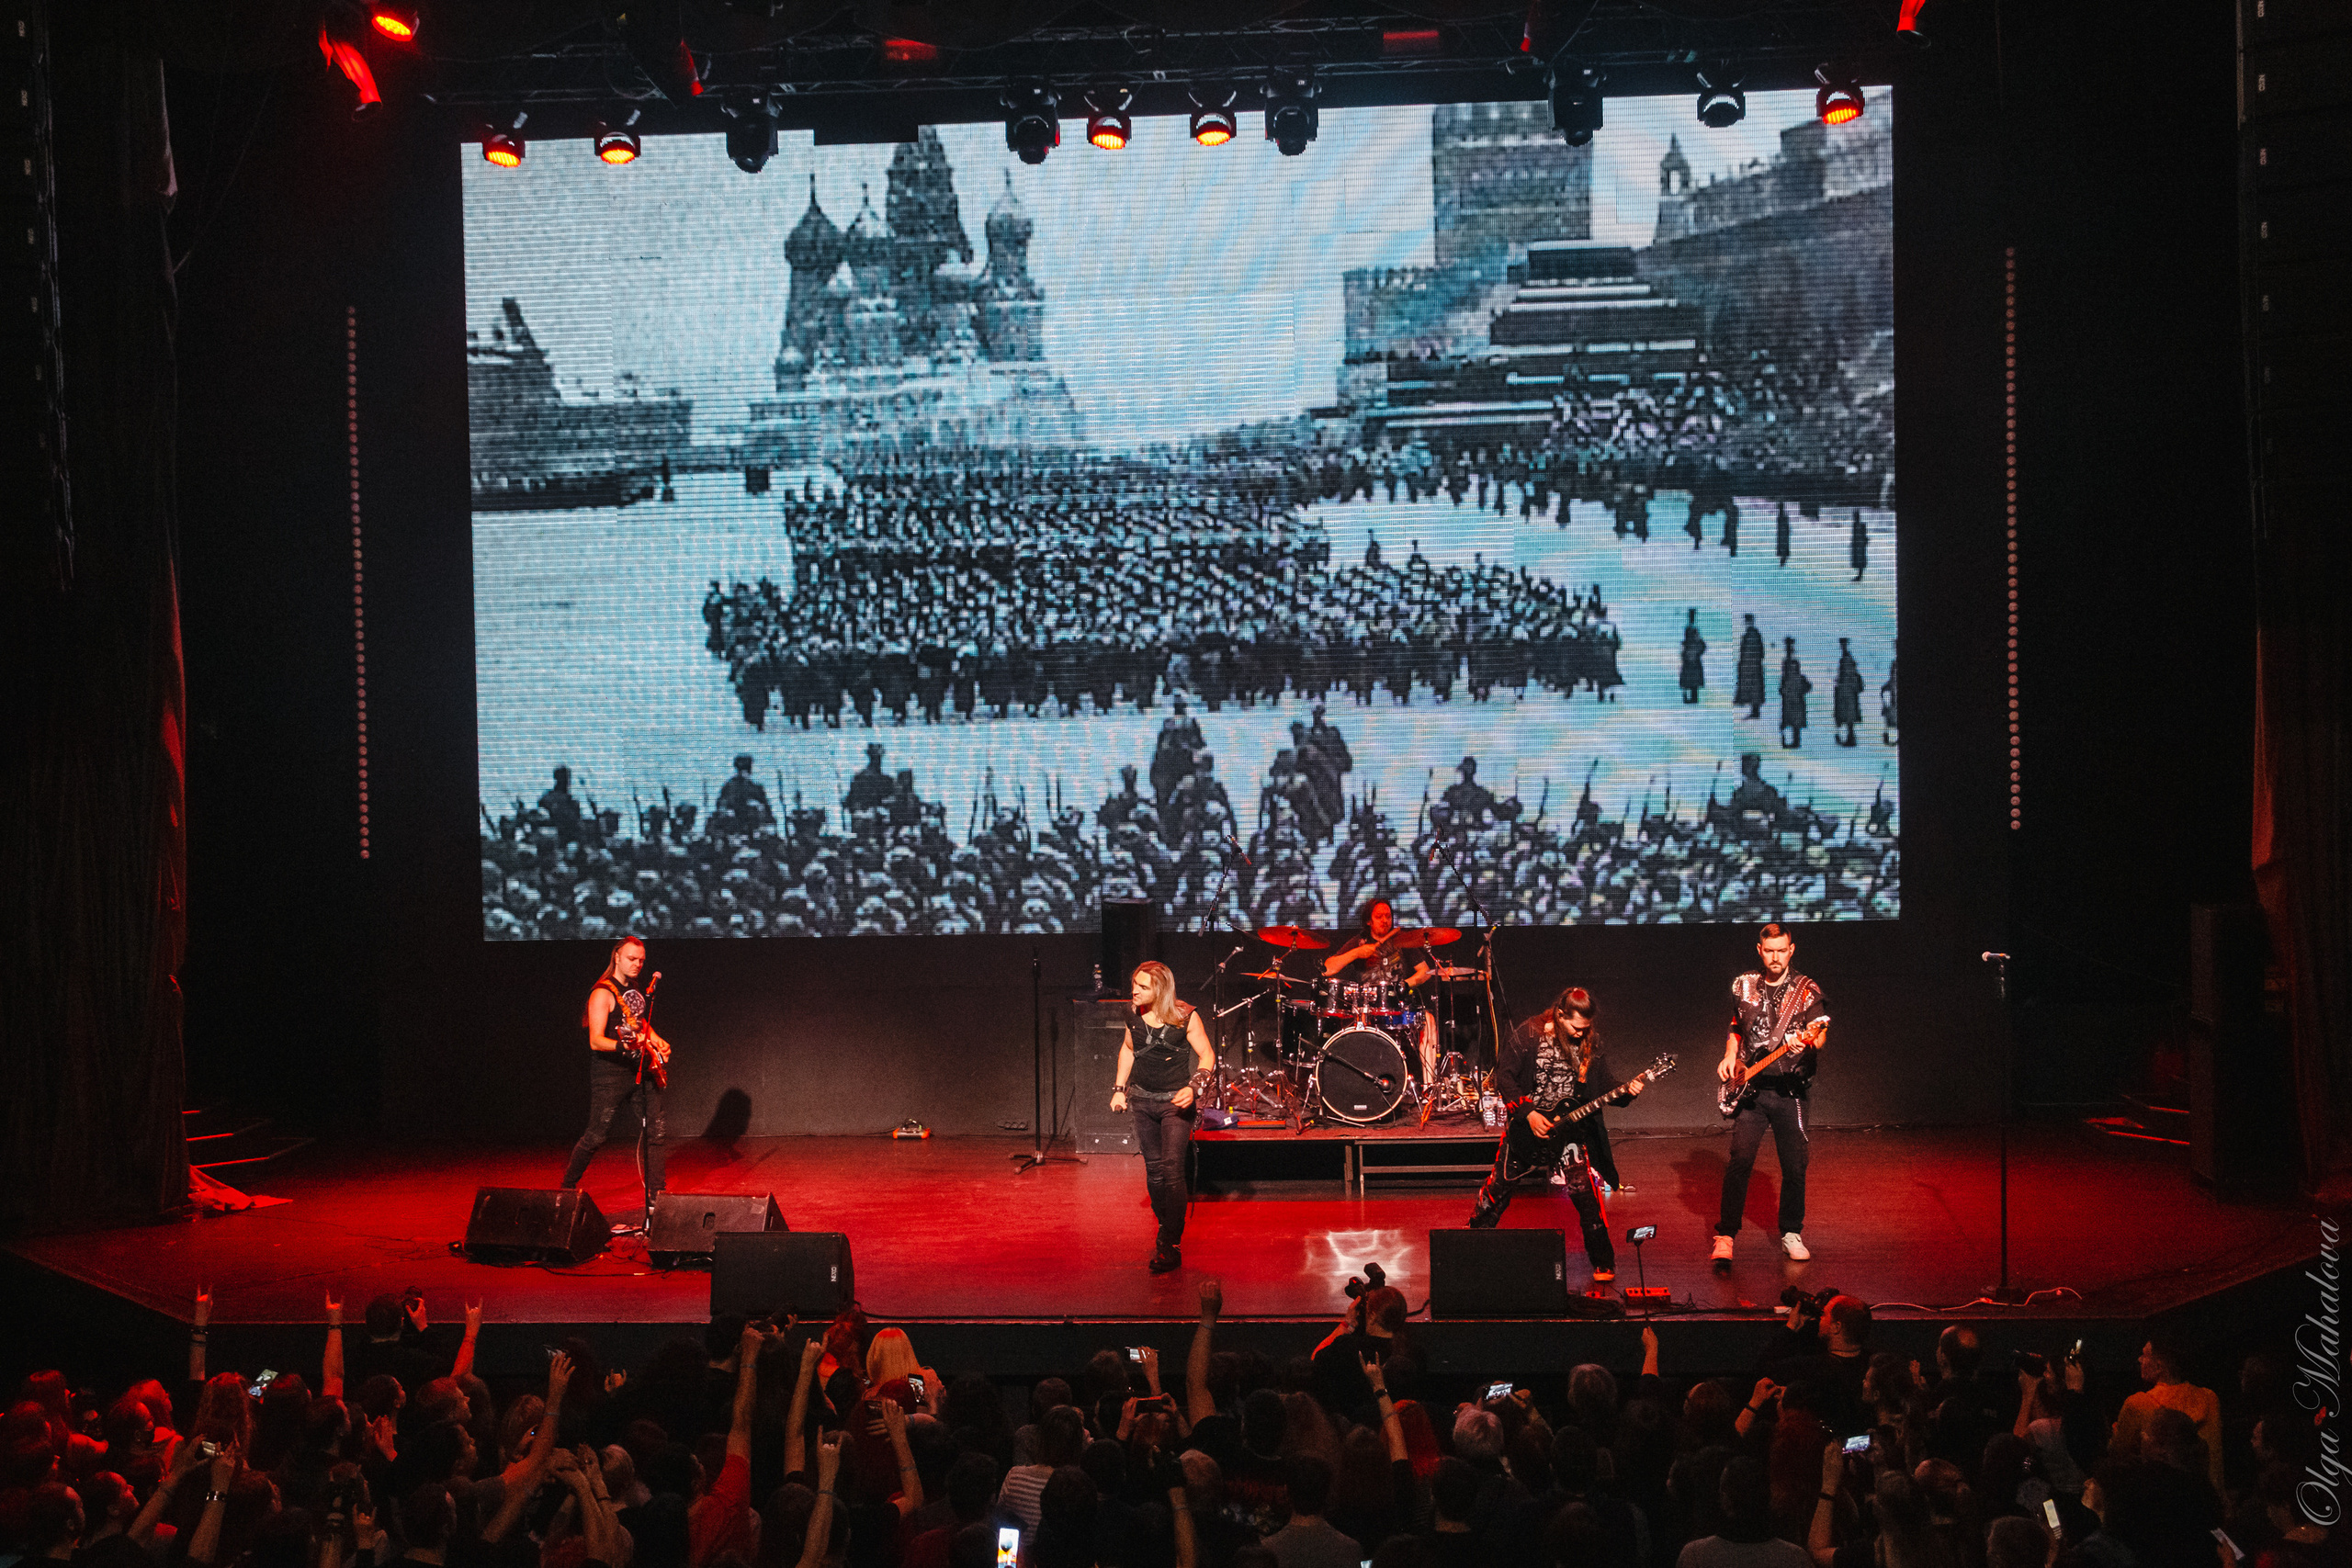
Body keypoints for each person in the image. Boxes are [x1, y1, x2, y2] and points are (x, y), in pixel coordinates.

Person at [1467, 987, 1645, 1284]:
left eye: (1586, 1028)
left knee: (1586, 1196)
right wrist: (1529, 1113)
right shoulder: (1531, 1034)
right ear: (1561, 1016)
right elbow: (1504, 1077)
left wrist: (1627, 1091)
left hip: (1569, 1133)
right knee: (1498, 1190)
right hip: (1527, 1127)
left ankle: (1603, 1261)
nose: (1580, 1034)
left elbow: (1602, 1087)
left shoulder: (1590, 1043)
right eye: (1576, 1027)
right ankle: (1468, 1246)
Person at [1713, 924, 1827, 1263]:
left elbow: (1819, 1036)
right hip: (1751, 1089)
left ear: (1791, 950)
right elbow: (1737, 1024)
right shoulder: (1743, 984)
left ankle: (1791, 1232)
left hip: (1790, 1092)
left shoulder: (1807, 990)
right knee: (1740, 1162)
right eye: (1769, 950)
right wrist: (1730, 1054)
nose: (1775, 957)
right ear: (1759, 950)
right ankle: (1726, 1235)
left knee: (1794, 1166)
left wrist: (1806, 1040)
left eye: (1782, 950)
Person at [1108, 962, 1218, 1274]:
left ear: (1160, 989)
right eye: (1135, 985)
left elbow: (1207, 1055)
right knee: (1154, 1173)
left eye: (1142, 987)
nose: (1135, 991)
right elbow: (1128, 1049)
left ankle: (1170, 1242)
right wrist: (1119, 1089)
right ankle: (1166, 1228)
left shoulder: (1186, 1016)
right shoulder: (1133, 1015)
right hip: (1142, 1100)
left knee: (1172, 1171)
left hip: (1175, 1103)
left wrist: (1194, 1088)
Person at [559, 934, 671, 1231]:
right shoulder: (602, 994)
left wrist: (657, 1041)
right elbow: (596, 1041)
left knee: (655, 1133)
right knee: (597, 1135)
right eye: (632, 959)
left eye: (641, 960)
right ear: (617, 957)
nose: (637, 965)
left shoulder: (633, 990)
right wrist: (627, 1048)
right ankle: (565, 1190)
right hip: (610, 1074)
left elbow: (639, 1023)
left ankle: (657, 1201)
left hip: (639, 1070)